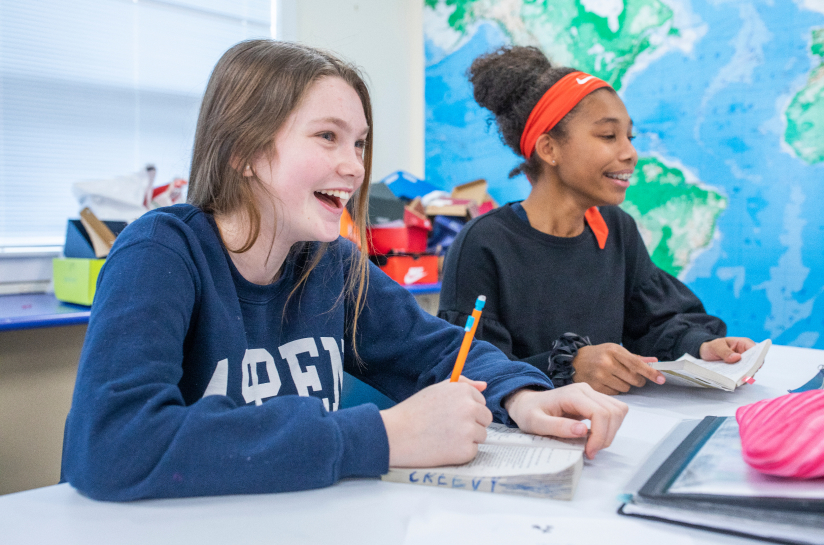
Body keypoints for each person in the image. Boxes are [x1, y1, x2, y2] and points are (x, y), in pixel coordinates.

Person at [60, 40, 627, 501]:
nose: (354, 167)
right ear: (243, 151)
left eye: (359, 143)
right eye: (327, 136)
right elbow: (115, 445)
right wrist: (382, 435)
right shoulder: (160, 253)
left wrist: (520, 396)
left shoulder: (330, 265)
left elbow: (435, 349)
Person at [438, 46, 755, 396]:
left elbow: (653, 323)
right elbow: (471, 373)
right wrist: (566, 367)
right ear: (549, 149)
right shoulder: (483, 244)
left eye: (629, 137)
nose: (629, 152)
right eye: (608, 136)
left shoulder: (617, 229)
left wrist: (698, 345)